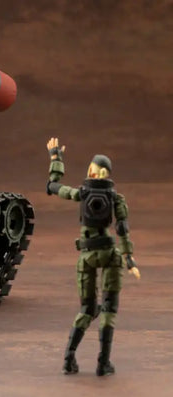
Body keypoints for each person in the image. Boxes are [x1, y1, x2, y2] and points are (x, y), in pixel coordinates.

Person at [45, 137, 140, 376]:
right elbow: (122, 229)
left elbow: (54, 186)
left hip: (86, 255)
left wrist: (56, 158)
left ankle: (68, 359)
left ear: (97, 173)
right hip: (109, 254)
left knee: (87, 309)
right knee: (108, 308)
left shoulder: (82, 193)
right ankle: (102, 363)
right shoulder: (116, 198)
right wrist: (129, 258)